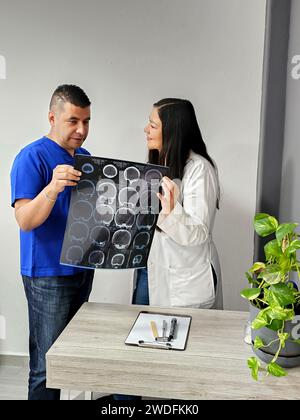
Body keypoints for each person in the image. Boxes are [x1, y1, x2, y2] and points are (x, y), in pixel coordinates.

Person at [10, 84, 94, 400]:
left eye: (86, 121)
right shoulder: (31, 158)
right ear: (52, 117)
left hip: (82, 269)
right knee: (46, 369)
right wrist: (52, 188)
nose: (81, 130)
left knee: (70, 360)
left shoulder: (85, 157)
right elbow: (25, 220)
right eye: (73, 121)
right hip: (47, 276)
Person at [133, 98, 223, 310]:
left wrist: (172, 211)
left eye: (153, 125)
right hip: (150, 269)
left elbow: (199, 231)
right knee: (143, 335)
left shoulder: (199, 169)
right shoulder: (157, 165)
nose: (146, 129)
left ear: (173, 130)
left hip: (184, 281)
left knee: (182, 338)